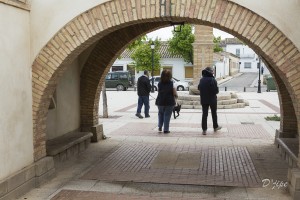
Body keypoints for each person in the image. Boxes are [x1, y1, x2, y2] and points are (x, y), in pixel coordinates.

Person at [198, 66, 222, 135]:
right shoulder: (213, 80)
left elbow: (199, 88)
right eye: (213, 71)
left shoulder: (202, 79)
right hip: (212, 100)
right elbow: (216, 91)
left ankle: (204, 130)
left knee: (204, 114)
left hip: (204, 99)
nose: (213, 72)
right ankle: (215, 127)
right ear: (210, 72)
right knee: (214, 114)